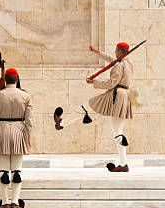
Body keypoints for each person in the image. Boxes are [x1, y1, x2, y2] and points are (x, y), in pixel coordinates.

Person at [54, 43, 133, 172]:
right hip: (123, 96)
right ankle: (123, 164)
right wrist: (98, 52)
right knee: (118, 133)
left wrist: (94, 82)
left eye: (116, 51)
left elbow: (111, 83)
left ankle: (61, 123)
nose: (114, 53)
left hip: (115, 95)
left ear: (119, 51)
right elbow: (112, 60)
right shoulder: (128, 63)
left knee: (86, 106)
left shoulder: (119, 66)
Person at [0, 68, 33, 208]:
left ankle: (4, 202)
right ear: (17, 79)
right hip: (19, 130)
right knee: (16, 170)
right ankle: (15, 202)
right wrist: (28, 136)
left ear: (5, 80)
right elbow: (29, 120)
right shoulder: (25, 96)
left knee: (3, 170)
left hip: (2, 129)